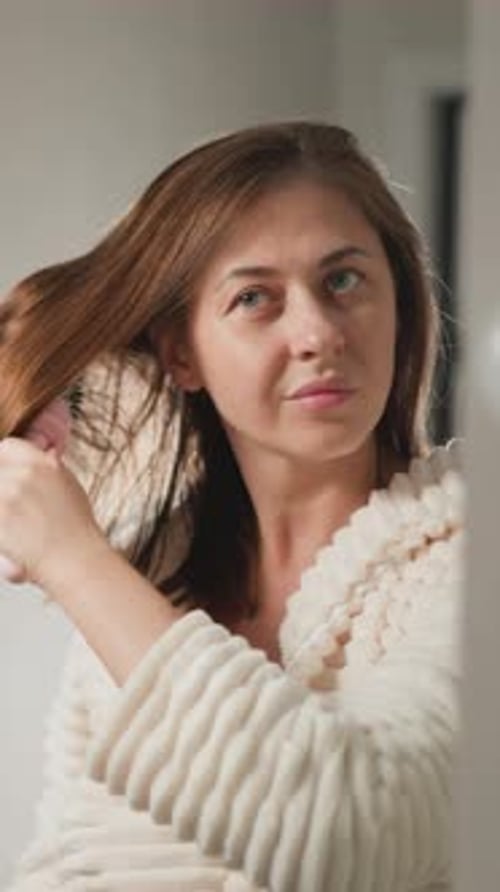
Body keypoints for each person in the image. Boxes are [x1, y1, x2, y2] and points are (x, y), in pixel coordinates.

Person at [0, 121, 463, 892]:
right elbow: (67, 869)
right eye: (256, 298)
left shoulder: (467, 549)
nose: (316, 333)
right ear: (182, 354)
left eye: (344, 280)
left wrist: (74, 563)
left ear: (401, 304)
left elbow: (351, 835)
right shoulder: (157, 575)